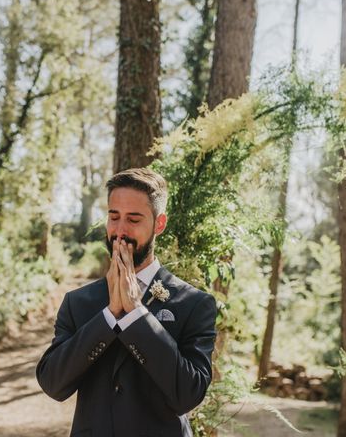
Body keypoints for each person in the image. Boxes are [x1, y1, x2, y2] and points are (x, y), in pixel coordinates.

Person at [36, 167, 217, 437]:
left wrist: (136, 314)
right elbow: (53, 383)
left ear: (159, 224)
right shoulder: (78, 302)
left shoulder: (194, 303)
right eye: (114, 217)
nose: (120, 231)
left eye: (133, 219)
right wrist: (110, 315)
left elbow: (188, 394)